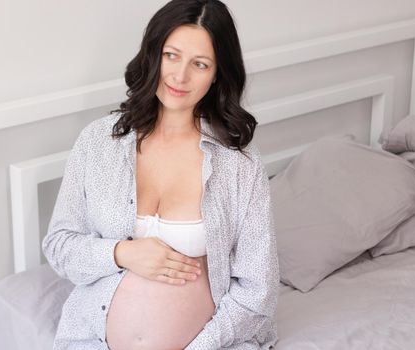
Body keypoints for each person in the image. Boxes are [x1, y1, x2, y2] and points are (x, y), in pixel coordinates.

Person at [42, 0, 279, 349]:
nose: (180, 77)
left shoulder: (239, 163)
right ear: (153, 54)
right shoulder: (99, 142)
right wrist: (121, 253)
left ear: (217, 74)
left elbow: (259, 290)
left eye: (199, 64)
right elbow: (60, 246)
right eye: (172, 55)